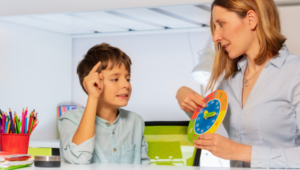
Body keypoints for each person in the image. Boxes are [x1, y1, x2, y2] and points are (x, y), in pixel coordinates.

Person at [176, 0, 300, 168]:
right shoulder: (230, 82)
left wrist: (239, 151)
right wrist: (187, 101)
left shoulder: (294, 73)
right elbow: (217, 137)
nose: (215, 37)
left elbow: (232, 149)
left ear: (251, 19)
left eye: (221, 24)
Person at [58, 43, 150, 164]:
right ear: (91, 84)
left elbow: (143, 165)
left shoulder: (135, 121)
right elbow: (79, 159)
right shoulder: (70, 119)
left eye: (128, 79)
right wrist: (93, 97)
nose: (126, 85)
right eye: (115, 79)